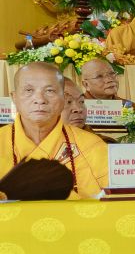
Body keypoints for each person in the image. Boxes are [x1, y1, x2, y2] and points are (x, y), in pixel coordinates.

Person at [0, 63, 110, 198]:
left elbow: (117, 200)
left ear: (63, 98)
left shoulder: (91, 145)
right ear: (14, 98)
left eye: (50, 91)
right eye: (29, 90)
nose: (40, 100)